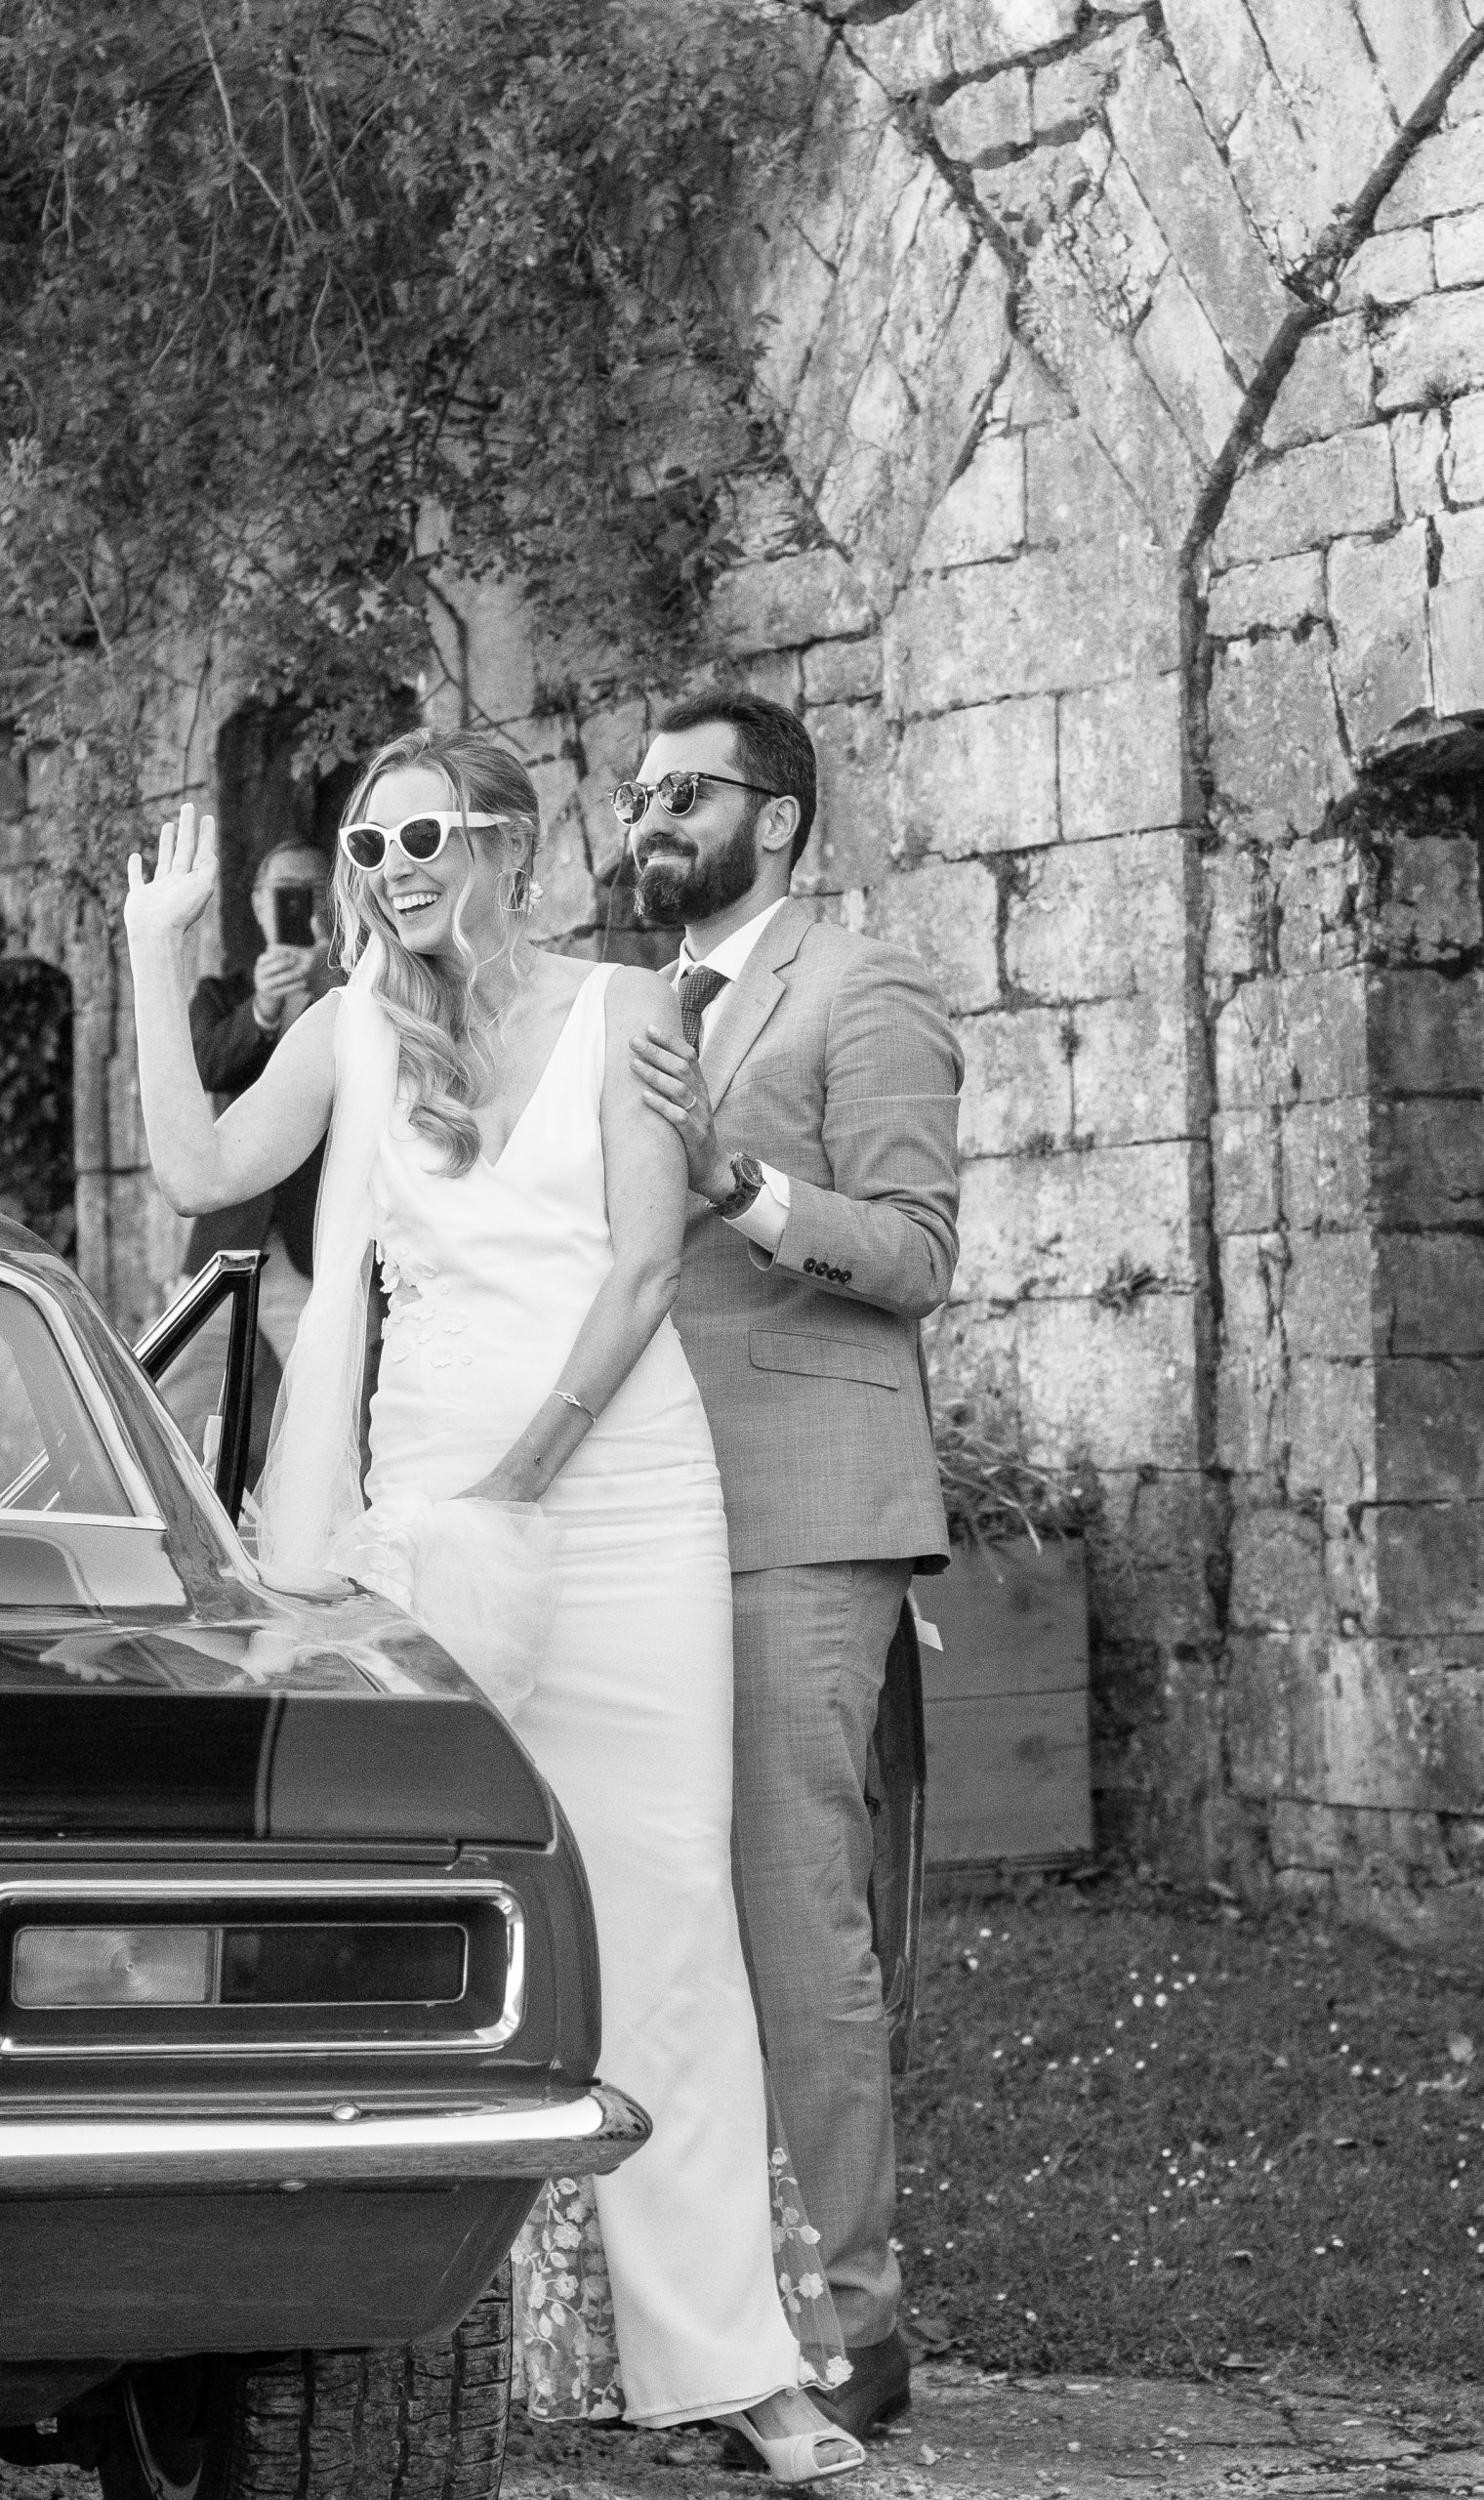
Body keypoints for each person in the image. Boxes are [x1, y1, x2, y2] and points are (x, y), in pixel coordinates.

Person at [122, 727, 863, 2484]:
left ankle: (729, 2362)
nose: (390, 871)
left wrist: (528, 1480)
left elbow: (639, 1270)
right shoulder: (350, 1031)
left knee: (665, 1910)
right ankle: (397, 2336)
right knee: (412, 1904)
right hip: (427, 1515)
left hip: (620, 1499)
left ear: (510, 846)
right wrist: (157, 954)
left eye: (423, 836)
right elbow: (201, 1174)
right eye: (365, 847)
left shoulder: (625, 1009)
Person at [625, 690, 965, 2443]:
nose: (649, 817)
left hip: (798, 1512)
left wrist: (735, 1179)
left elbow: (913, 1251)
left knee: (790, 1910)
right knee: (664, 1922)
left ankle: (850, 2322)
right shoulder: (621, 1003)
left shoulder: (862, 984)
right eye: (637, 794)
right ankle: (689, 2309)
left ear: (777, 817)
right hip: (630, 1514)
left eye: (684, 792)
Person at [155, 840, 337, 1466]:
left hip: (316, 1241)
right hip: (227, 1235)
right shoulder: (222, 993)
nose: (299, 903)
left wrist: (328, 980)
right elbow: (205, 1067)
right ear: (259, 903)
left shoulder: (354, 991)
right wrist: (260, 1010)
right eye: (283, 892)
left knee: (329, 1409)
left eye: (313, 890)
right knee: (175, 1402)